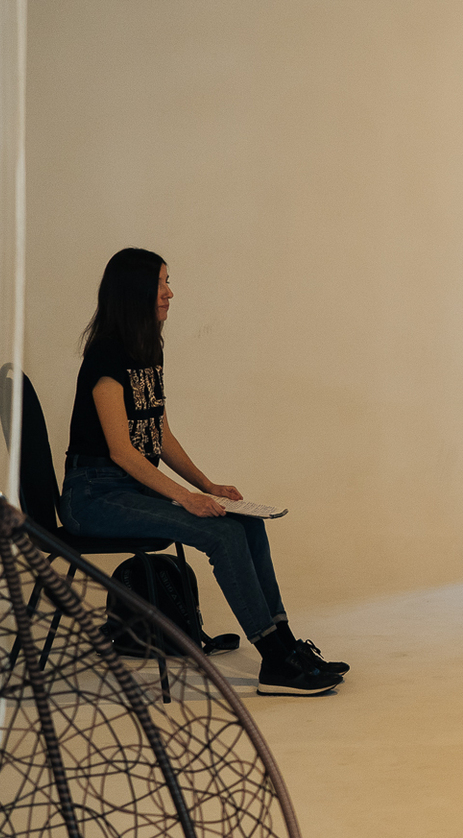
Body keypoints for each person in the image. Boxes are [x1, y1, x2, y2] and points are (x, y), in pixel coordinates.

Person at [60, 249, 346, 696]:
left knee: (245, 522)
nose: (169, 293)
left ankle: (286, 644)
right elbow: (122, 452)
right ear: (136, 291)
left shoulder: (147, 347)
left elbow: (159, 435)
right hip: (93, 496)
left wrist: (208, 486)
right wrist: (186, 498)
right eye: (161, 283)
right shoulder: (106, 355)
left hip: (131, 488)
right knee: (221, 534)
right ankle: (275, 661)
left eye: (167, 282)